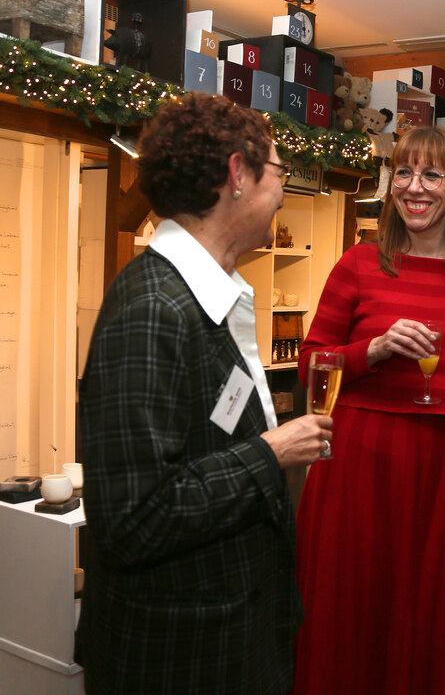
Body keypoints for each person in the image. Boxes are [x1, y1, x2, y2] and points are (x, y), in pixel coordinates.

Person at [77, 93, 333, 693]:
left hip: (230, 636)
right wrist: (268, 454)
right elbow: (133, 520)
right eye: (278, 173)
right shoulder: (153, 308)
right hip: (178, 655)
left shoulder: (205, 296)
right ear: (237, 176)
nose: (284, 191)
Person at [292, 126, 445, 694]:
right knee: (351, 602)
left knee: (432, 609)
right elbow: (312, 365)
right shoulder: (359, 265)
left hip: (443, 469)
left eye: (432, 174)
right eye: (404, 174)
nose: (416, 187)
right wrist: (374, 350)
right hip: (356, 464)